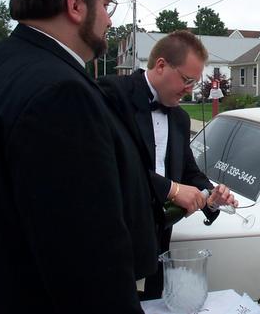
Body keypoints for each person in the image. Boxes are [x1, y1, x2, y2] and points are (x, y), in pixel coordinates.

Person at [0, 0, 158, 314]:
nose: (110, 20)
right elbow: (87, 264)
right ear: (75, 5)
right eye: (106, 5)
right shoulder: (60, 93)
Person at [98, 30, 237, 300]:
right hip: (113, 241)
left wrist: (211, 195)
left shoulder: (180, 118)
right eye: (186, 80)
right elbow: (110, 165)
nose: (190, 90)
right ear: (161, 65)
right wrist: (171, 189)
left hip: (158, 243)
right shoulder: (112, 94)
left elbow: (188, 171)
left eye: (195, 83)